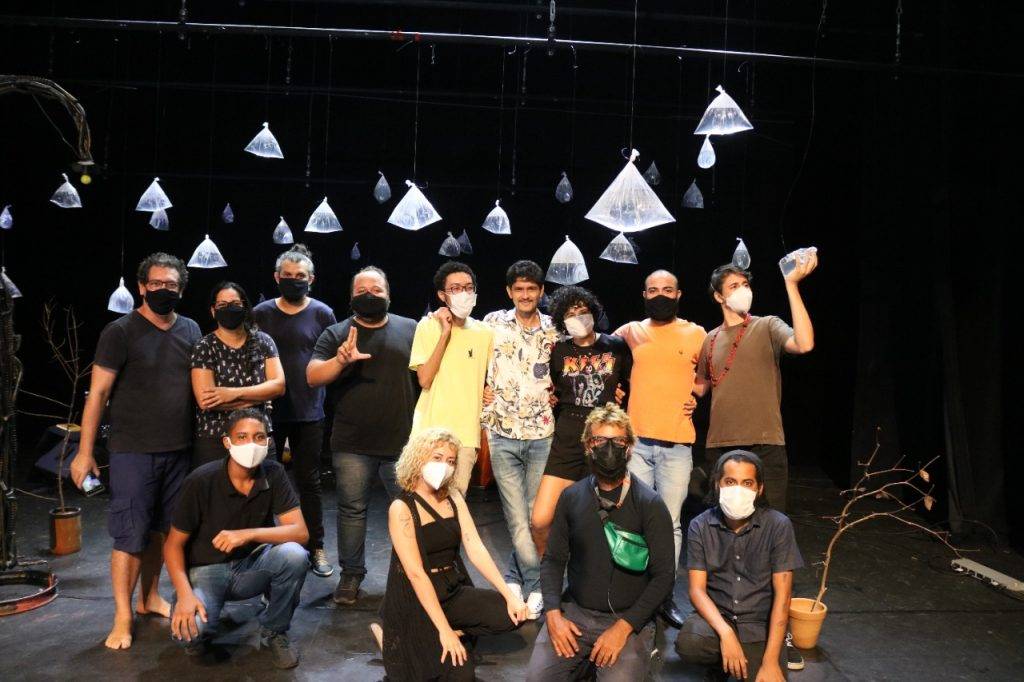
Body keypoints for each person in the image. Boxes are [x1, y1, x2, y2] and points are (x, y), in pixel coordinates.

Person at [70, 252, 201, 650]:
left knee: (164, 531)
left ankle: (149, 598)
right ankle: (122, 616)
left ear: (181, 290)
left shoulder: (191, 329)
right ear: (142, 287)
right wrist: (84, 452)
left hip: (179, 450)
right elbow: (98, 394)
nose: (164, 290)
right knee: (129, 535)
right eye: (156, 283)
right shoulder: (120, 331)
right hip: (133, 451)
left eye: (171, 285)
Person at [526, 403, 674, 681]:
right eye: (600, 440)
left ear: (629, 447)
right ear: (587, 446)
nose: (609, 448)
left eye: (618, 441)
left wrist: (623, 628)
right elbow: (553, 560)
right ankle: (586, 665)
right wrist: (554, 615)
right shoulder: (571, 497)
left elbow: (664, 576)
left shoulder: (649, 504)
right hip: (575, 613)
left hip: (627, 618)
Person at [379, 427, 528, 681]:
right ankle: (398, 636)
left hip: (450, 588)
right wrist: (444, 631)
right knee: (459, 676)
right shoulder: (401, 507)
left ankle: (443, 631)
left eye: (450, 461)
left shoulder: (453, 497)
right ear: (418, 458)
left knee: (512, 615)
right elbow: (416, 574)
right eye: (437, 458)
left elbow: (475, 547)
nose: (444, 466)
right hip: (416, 598)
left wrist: (509, 595)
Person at [306, 265, 417, 606]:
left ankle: (410, 574)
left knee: (410, 512)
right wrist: (340, 361)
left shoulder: (410, 329)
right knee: (352, 511)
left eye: (376, 290)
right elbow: (313, 376)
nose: (369, 295)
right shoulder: (337, 333)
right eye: (362, 291)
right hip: (352, 443)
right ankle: (351, 575)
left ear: (388, 294)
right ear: (351, 296)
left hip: (403, 443)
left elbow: (428, 376)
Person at [164, 409, 309, 669]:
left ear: (268, 441)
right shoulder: (201, 480)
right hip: (206, 569)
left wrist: (248, 534)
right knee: (191, 633)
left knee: (295, 555)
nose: (251, 444)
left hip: (251, 565)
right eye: (242, 437)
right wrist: (185, 595)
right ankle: (193, 606)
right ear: (227, 442)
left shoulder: (273, 473)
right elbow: (173, 545)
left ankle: (274, 631)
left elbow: (300, 533)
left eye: (259, 437)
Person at [614, 269, 707, 627]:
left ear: (679, 294)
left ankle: (664, 597)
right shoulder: (631, 331)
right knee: (635, 521)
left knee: (670, 524)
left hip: (677, 445)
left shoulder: (696, 334)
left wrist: (695, 396)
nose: (660, 295)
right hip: (637, 444)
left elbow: (705, 381)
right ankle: (635, 594)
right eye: (653, 290)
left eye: (667, 289)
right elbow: (603, 359)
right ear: (644, 295)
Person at [693, 253, 818, 513]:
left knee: (770, 518)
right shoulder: (710, 339)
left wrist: (791, 285)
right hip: (721, 444)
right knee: (725, 519)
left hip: (764, 442)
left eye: (746, 285)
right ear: (719, 296)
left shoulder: (767, 325)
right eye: (734, 286)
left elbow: (804, 344)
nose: (743, 290)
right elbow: (700, 387)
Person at [676, 450, 803, 682]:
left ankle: (744, 658)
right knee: (690, 643)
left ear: (759, 488)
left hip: (760, 624)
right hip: (719, 617)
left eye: (747, 483)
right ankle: (719, 664)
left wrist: (770, 661)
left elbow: (783, 597)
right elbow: (696, 590)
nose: (738, 489)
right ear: (718, 484)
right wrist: (726, 634)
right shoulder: (700, 525)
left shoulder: (778, 525)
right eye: (730, 482)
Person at [479, 260, 560, 620]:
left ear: (541, 292)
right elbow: (469, 359)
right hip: (502, 431)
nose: (525, 295)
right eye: (519, 289)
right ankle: (537, 583)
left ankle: (519, 577)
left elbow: (567, 371)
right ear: (509, 292)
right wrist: (478, 388)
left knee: (535, 517)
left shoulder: (555, 329)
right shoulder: (491, 323)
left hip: (542, 432)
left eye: (531, 289)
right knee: (515, 516)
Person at [253, 244, 337, 578]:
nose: (293, 280)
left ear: (311, 279)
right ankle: (264, 554)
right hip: (266, 412)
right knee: (262, 483)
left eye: (299, 275)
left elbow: (332, 359)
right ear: (276, 278)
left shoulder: (323, 314)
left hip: (309, 412)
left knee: (309, 482)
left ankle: (316, 547)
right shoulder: (260, 314)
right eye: (287, 275)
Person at [530, 286, 632, 558]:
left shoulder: (616, 346)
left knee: (600, 523)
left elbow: (632, 386)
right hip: (567, 437)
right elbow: (551, 388)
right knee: (540, 520)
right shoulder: (559, 350)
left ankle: (593, 577)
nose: (578, 317)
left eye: (583, 311)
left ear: (593, 313)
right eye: (570, 313)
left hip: (604, 437)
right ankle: (550, 574)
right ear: (561, 320)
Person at [409, 261, 493, 494]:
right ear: (442, 295)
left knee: (454, 502)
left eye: (468, 288)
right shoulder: (428, 326)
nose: (463, 293)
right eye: (455, 289)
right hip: (430, 432)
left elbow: (493, 376)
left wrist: (488, 390)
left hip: (466, 436)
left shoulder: (485, 332)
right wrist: (445, 333)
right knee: (424, 501)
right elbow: (425, 379)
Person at [189, 281, 285, 469]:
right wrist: (259, 397)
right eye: (222, 305)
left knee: (266, 486)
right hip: (215, 438)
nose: (229, 309)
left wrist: (231, 393)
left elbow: (279, 386)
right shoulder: (204, 346)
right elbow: (206, 401)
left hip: (258, 436)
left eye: (235, 304)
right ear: (213, 311)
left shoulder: (263, 341)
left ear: (245, 307)